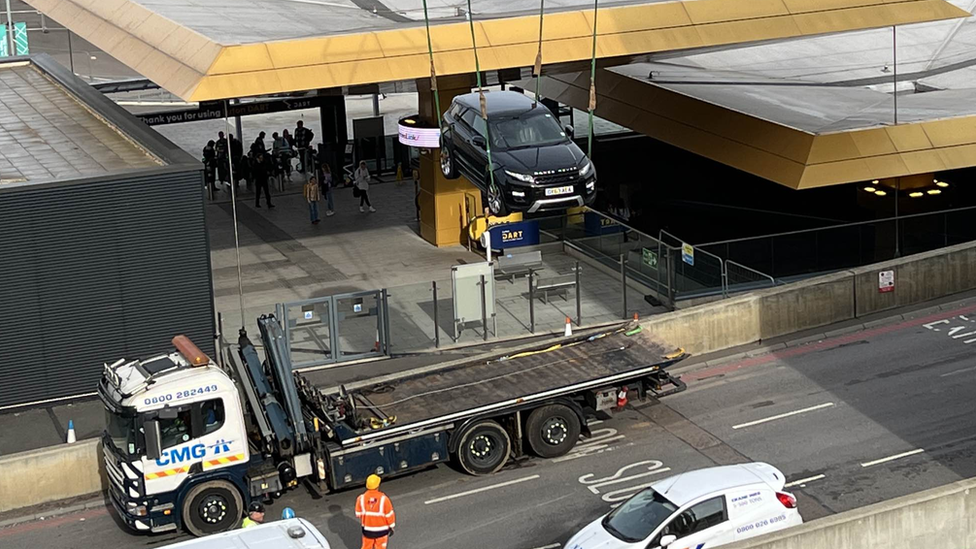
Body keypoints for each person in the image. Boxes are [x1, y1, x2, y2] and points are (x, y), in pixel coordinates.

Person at [355, 475, 395, 549]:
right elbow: (389, 515)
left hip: (367, 530)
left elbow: (358, 514)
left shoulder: (361, 498)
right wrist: (392, 526)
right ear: (378, 486)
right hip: (381, 531)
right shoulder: (384, 499)